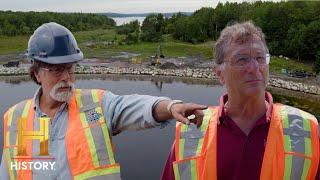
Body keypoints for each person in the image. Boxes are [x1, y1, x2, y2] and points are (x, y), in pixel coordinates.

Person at [0, 22, 207, 180]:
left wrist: (171, 106)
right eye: (56, 70)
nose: (66, 77)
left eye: (70, 68)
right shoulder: (17, 117)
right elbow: (11, 172)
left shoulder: (96, 104)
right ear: (37, 73)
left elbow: (133, 106)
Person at [161, 21, 319, 180]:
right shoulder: (192, 130)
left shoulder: (303, 128)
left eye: (260, 58)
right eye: (242, 60)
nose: (255, 68)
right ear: (219, 74)